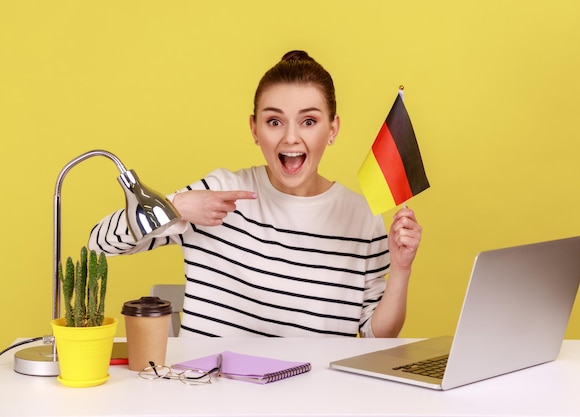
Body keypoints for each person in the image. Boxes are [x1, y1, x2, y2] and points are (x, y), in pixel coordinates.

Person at [89, 50, 422, 338]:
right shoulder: (218, 192)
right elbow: (99, 244)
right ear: (254, 129)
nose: (291, 138)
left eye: (308, 121)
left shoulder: (362, 219)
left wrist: (402, 268)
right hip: (209, 395)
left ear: (332, 129)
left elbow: (376, 335)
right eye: (274, 122)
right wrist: (178, 206)